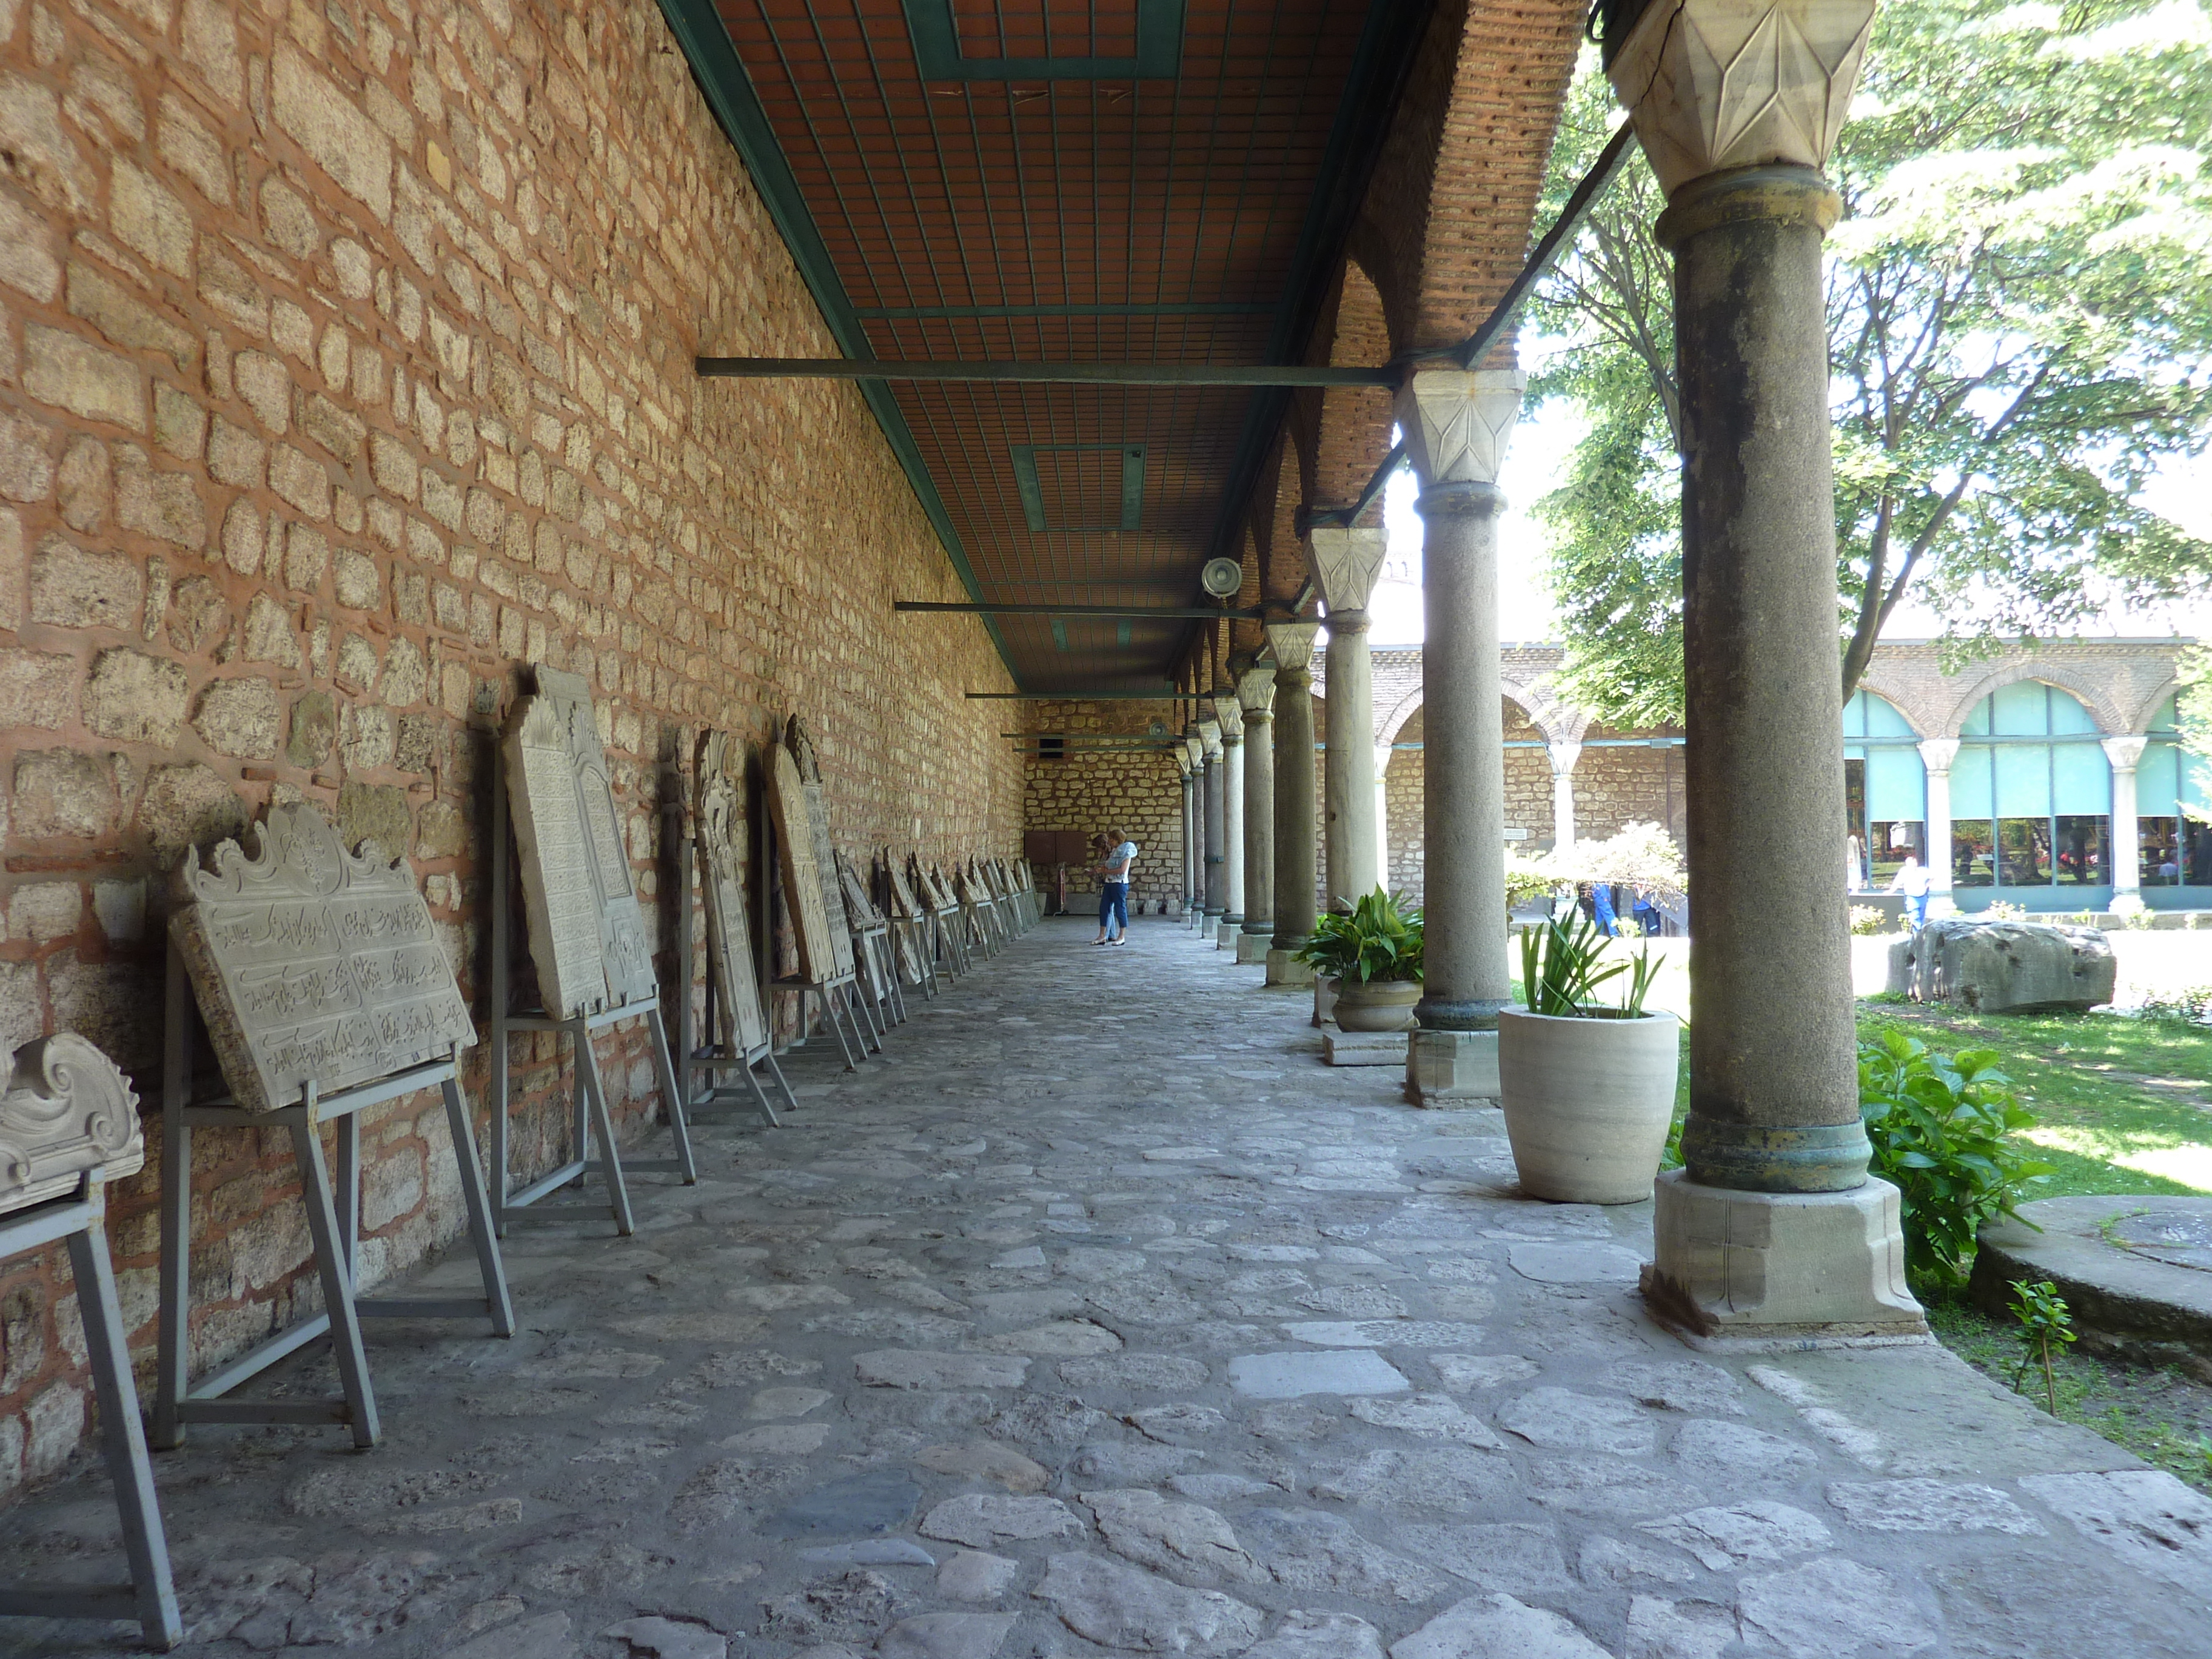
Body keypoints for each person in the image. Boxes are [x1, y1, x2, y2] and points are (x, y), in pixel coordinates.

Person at [1093, 829, 1137, 945]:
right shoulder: (1113, 852)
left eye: (1112, 839)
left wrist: (1106, 871)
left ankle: (1121, 936)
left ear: (1118, 839)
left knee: (1120, 909)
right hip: (1109, 883)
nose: (1110, 841)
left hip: (1119, 883)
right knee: (1104, 908)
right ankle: (1102, 935)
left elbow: (1122, 870)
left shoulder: (1127, 852)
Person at [1888, 851, 1931, 928]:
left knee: (1921, 918)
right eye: (1911, 863)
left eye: (1915, 862)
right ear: (1907, 864)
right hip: (1912, 898)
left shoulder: (1923, 871)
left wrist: (1927, 885)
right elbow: (1897, 882)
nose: (1914, 864)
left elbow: (1933, 877)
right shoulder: (1904, 871)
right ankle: (1917, 934)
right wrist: (1890, 891)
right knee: (1915, 917)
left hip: (1922, 897)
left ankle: (1919, 934)